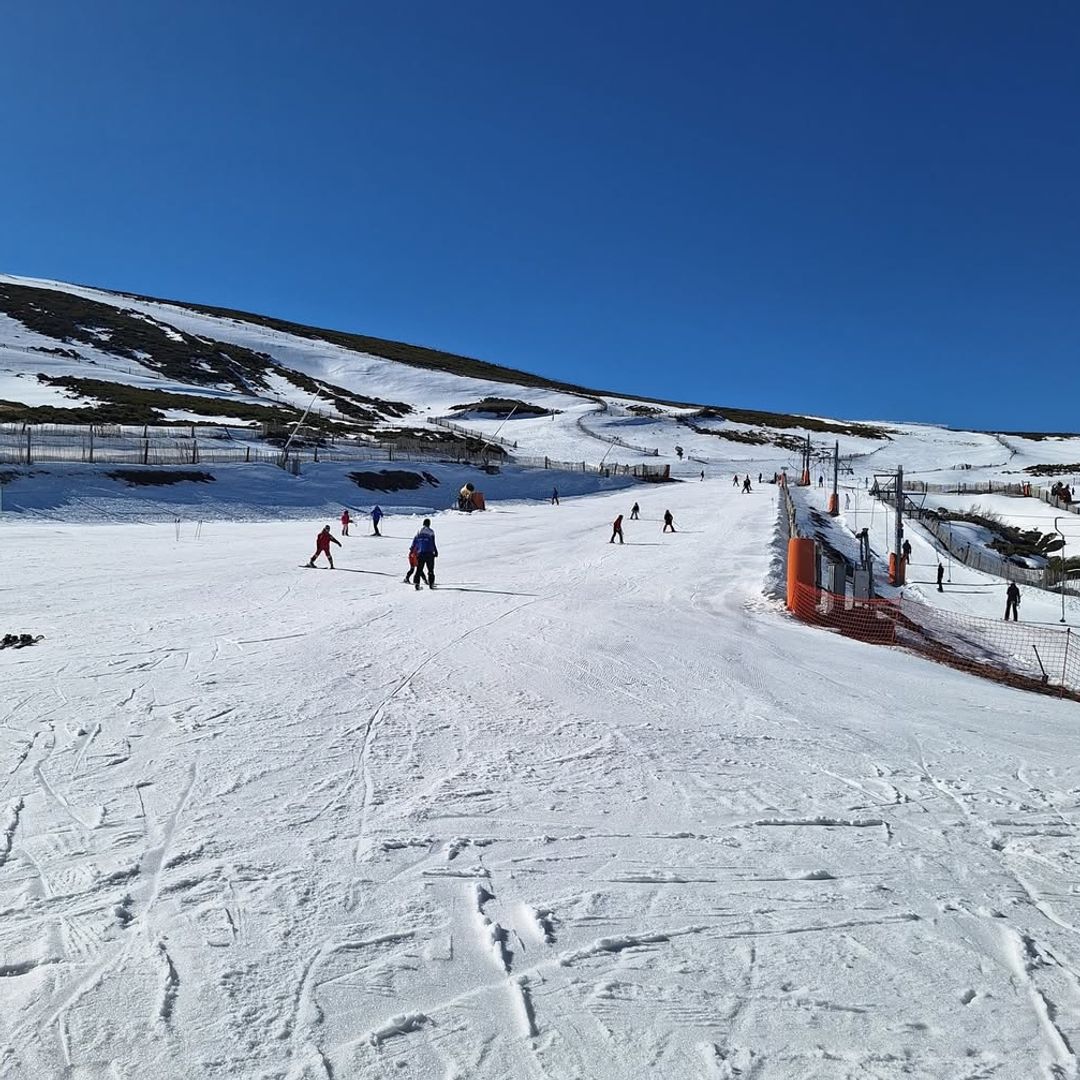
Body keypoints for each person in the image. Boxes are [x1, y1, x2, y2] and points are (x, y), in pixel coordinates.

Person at [412, 519, 438, 589]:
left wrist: (412, 551)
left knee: (419, 569)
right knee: (430, 569)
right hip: (429, 553)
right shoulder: (431, 532)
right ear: (429, 524)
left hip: (420, 553)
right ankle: (431, 584)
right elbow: (433, 542)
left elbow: (414, 542)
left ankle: (416, 584)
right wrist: (435, 551)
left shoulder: (418, 532)